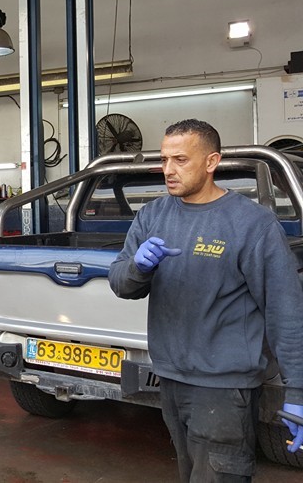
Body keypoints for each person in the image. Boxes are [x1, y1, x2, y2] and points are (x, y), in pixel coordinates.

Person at [108, 119, 303, 481]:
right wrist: (138, 267)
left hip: (224, 390)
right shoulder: (152, 215)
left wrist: (298, 391)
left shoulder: (251, 224)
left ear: (212, 161)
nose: (168, 170)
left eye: (180, 160)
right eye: (164, 160)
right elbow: (121, 283)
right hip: (169, 379)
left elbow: (286, 312)